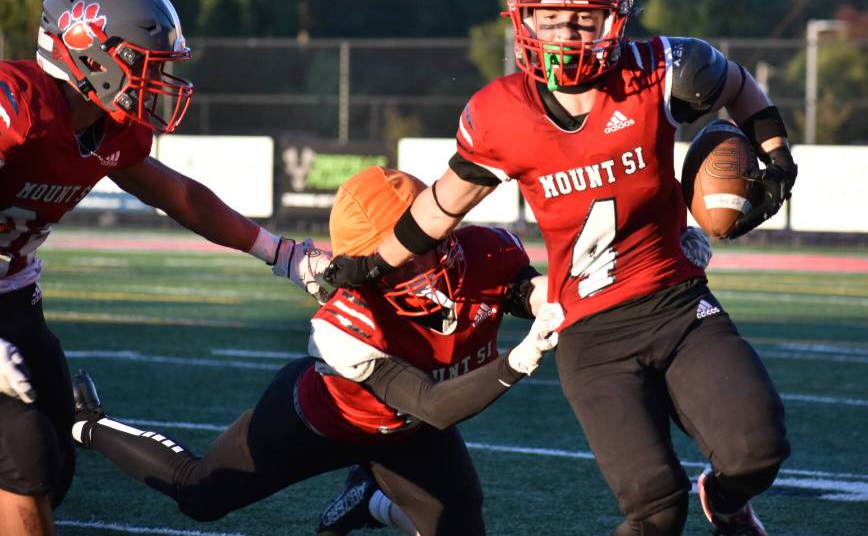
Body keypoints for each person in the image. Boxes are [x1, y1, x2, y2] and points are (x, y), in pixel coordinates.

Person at [320, 0, 797, 536]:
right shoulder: (501, 114)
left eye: (584, 20)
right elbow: (441, 208)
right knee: (654, 509)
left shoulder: (661, 74)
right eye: (550, 19)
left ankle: (726, 502)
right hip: (591, 336)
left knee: (758, 449)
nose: (566, 36)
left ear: (615, 18)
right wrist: (371, 264)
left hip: (676, 304)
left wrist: (777, 155)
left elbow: (739, 88)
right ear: (525, 20)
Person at [0, 0, 328, 536]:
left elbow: (178, 195)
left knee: (53, 464)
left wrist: (282, 253)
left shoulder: (107, 128)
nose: (158, 83)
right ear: (92, 57)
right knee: (24, 452)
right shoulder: (17, 107)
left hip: (15, 299)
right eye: (146, 66)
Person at [71, 166, 564, 536]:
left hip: (405, 432)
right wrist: (519, 360)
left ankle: (367, 501)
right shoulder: (345, 323)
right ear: (367, 264)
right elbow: (432, 405)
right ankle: (88, 424)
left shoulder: (484, 252)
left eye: (427, 240)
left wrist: (552, 300)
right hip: (322, 422)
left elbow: (524, 289)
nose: (425, 263)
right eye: (402, 257)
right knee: (199, 495)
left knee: (460, 523)